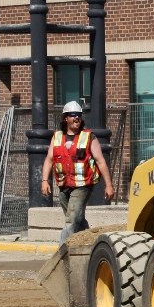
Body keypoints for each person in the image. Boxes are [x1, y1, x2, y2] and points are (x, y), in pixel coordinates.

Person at [41, 101, 114, 244]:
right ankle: (88, 243)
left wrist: (109, 185)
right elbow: (49, 160)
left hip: (83, 185)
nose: (77, 118)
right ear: (65, 118)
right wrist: (44, 181)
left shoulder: (88, 137)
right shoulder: (57, 137)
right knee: (77, 219)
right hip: (64, 185)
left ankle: (62, 253)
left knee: (70, 220)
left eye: (79, 115)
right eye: (73, 115)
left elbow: (100, 161)